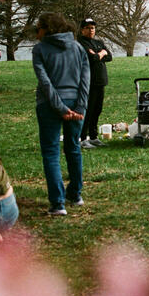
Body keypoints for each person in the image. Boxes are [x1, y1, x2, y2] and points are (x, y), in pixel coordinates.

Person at [32, 12, 89, 216]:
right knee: (73, 148)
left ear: (47, 29)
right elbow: (85, 80)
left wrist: (60, 108)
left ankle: (57, 204)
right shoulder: (78, 47)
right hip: (75, 103)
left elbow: (45, 82)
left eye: (38, 28)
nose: (36, 33)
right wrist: (80, 107)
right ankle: (75, 194)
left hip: (49, 105)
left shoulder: (39, 49)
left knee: (51, 152)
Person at [77, 18, 112, 148]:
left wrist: (100, 54)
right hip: (88, 82)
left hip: (100, 81)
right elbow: (93, 58)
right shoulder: (81, 43)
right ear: (82, 30)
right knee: (88, 110)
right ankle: (82, 138)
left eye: (92, 28)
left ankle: (93, 136)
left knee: (97, 110)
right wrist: (101, 53)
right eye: (87, 28)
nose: (91, 30)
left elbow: (109, 56)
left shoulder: (98, 42)